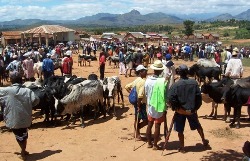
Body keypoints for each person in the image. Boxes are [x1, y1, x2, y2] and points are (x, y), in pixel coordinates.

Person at [168, 64, 209, 153]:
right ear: (187, 72)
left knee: (180, 129)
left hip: (180, 111)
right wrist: (195, 108)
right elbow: (199, 98)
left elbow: (170, 97)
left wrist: (176, 107)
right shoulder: (194, 83)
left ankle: (182, 147)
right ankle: (204, 140)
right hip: (191, 110)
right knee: (198, 125)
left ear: (179, 73)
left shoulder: (176, 84)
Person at [0, 75, 40, 160]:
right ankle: (23, 150)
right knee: (24, 134)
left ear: (11, 81)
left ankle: (22, 151)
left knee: (18, 136)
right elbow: (36, 100)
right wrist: (29, 105)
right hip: (26, 118)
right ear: (21, 81)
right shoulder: (28, 91)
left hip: (13, 118)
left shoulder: (6, 90)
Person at [145, 60, 169, 150]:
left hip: (150, 104)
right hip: (159, 106)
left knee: (149, 124)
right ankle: (155, 145)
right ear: (161, 71)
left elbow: (146, 93)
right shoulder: (163, 82)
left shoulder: (147, 80)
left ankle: (149, 143)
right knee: (157, 125)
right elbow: (165, 95)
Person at [125, 65, 148, 140]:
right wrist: (139, 105)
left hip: (137, 102)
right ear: (141, 72)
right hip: (140, 103)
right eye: (145, 71)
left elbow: (127, 86)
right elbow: (140, 95)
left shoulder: (136, 80)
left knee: (137, 118)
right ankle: (137, 131)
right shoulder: (142, 82)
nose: (146, 72)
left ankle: (137, 132)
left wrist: (131, 94)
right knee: (146, 120)